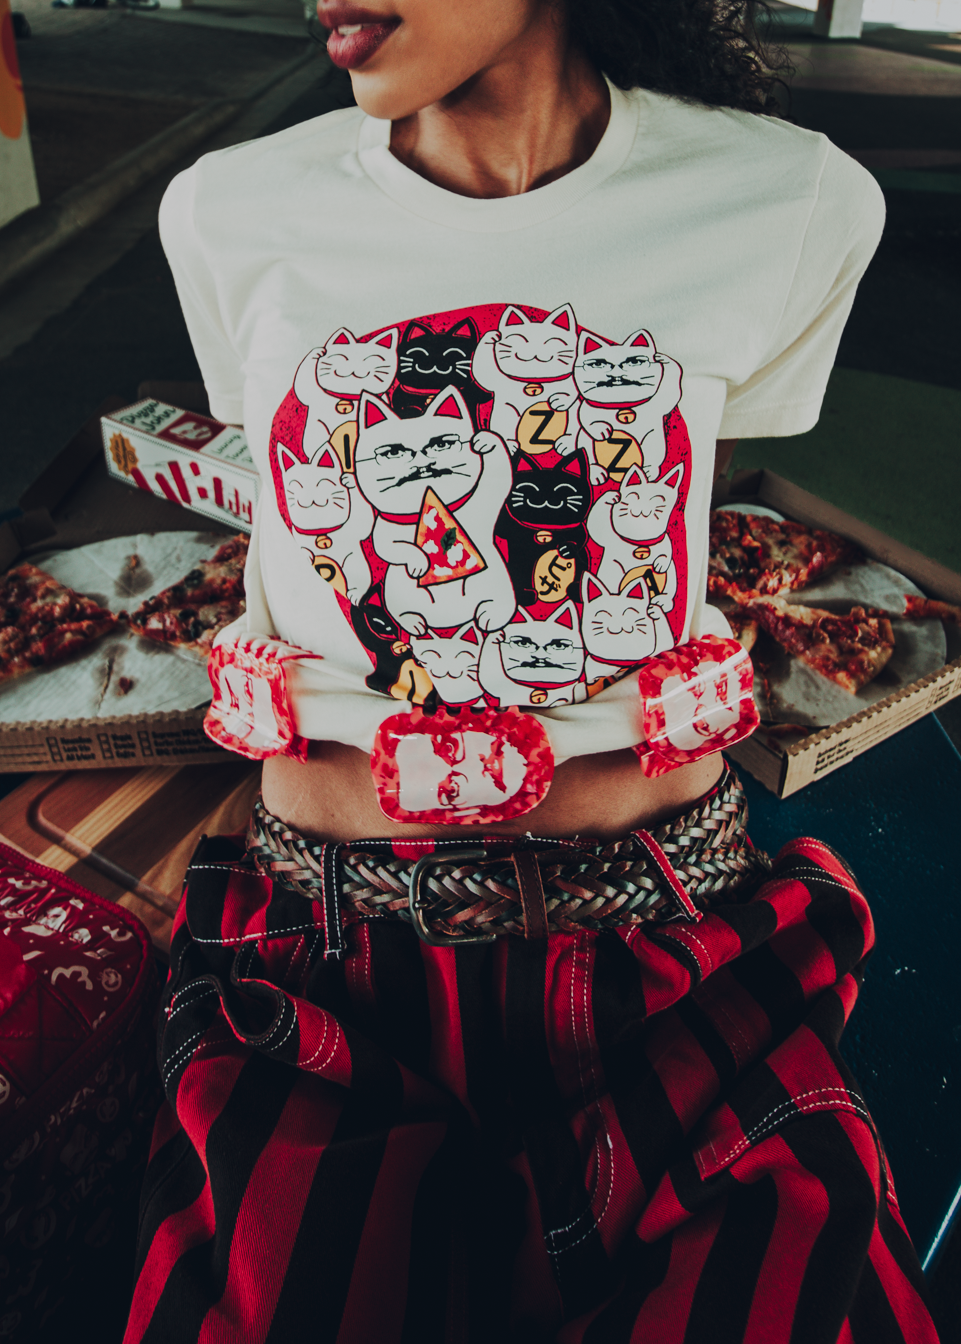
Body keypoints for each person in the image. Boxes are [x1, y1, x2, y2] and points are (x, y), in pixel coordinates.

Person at [124, 3, 940, 1341]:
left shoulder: (791, 201)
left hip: (677, 950)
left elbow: (665, 509)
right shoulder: (229, 211)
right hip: (321, 969)